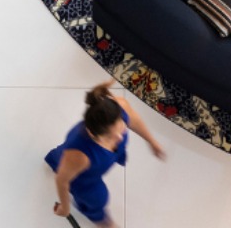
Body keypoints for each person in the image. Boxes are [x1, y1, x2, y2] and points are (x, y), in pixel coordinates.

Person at [46, 79, 166, 227]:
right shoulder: (78, 155)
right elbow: (61, 181)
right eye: (110, 136)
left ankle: (57, 159)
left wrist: (151, 141)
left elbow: (134, 120)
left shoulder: (119, 106)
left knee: (63, 160)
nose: (120, 137)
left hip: (94, 162)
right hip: (85, 180)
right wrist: (65, 208)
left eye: (121, 126)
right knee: (98, 199)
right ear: (92, 134)